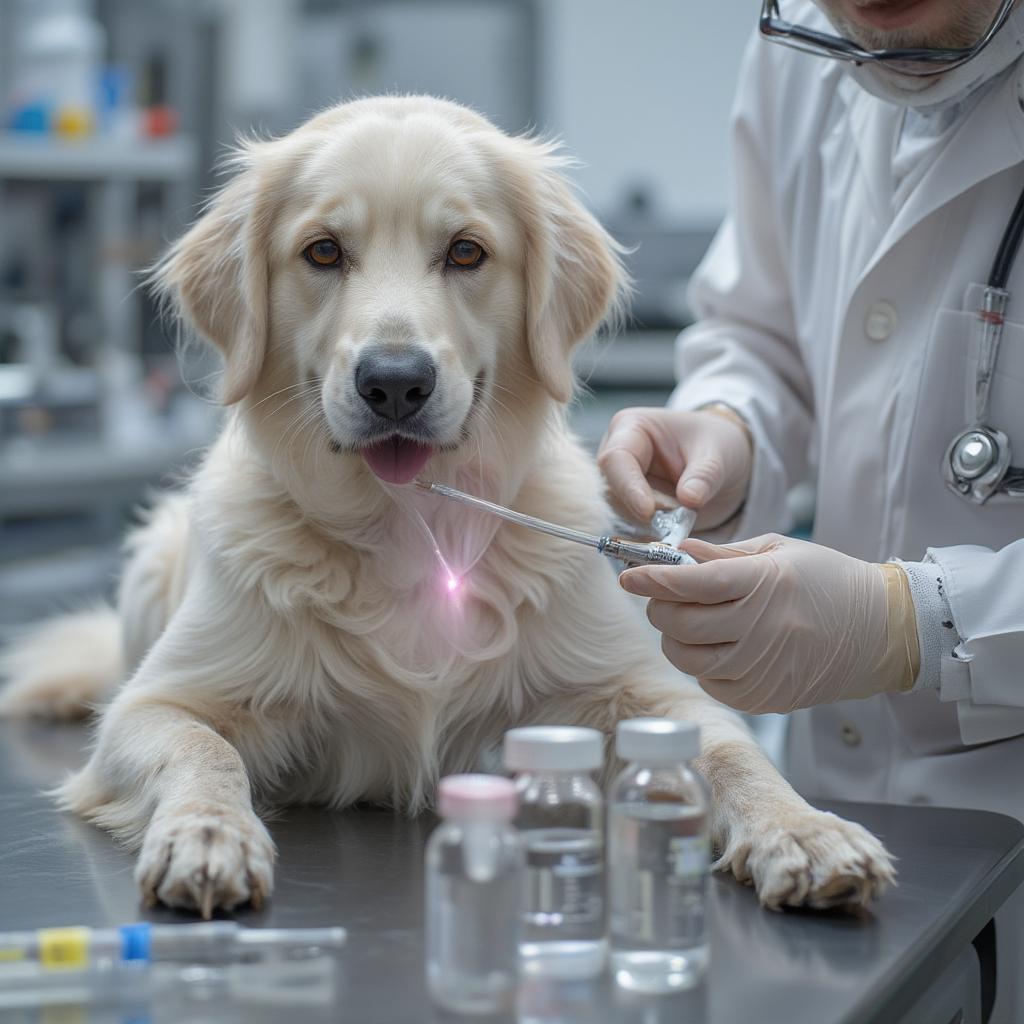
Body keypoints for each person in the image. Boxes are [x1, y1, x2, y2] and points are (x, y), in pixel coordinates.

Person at [597, 2, 1024, 1020]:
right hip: (840, 839)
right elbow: (758, 323)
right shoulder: (803, 40)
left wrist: (911, 623)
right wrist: (729, 429)